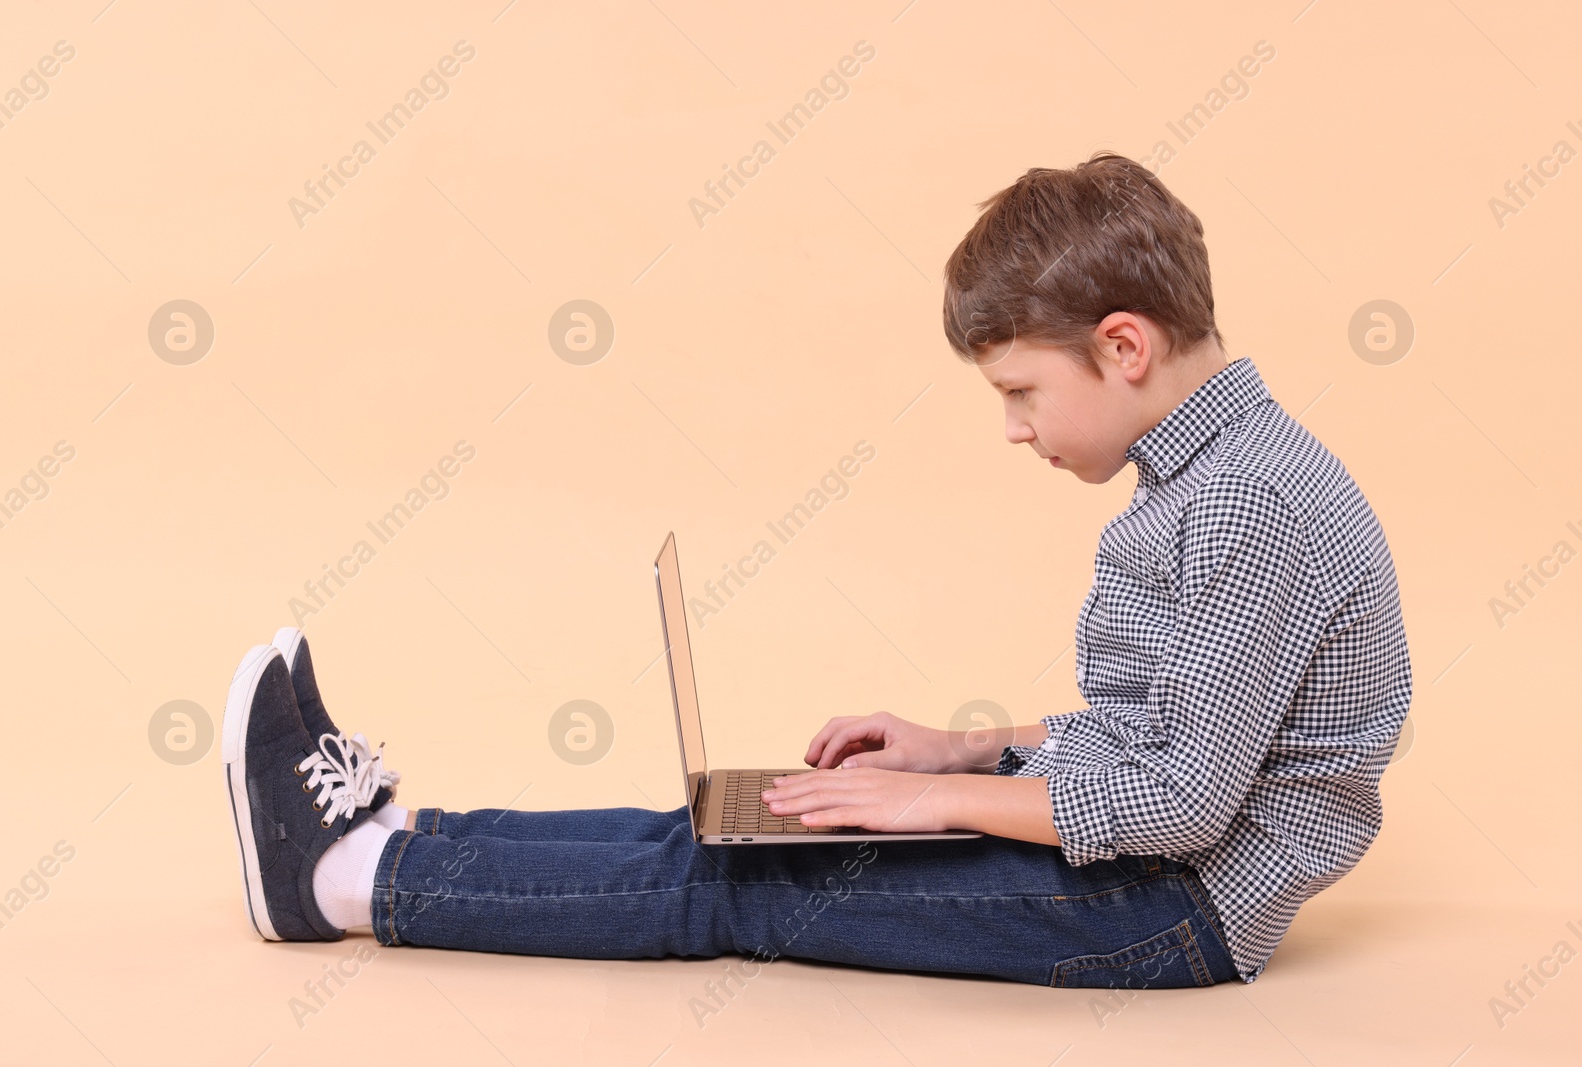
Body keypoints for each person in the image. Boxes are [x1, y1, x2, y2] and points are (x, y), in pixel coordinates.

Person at [221, 152, 1411, 989]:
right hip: (1135, 864)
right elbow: (1158, 727)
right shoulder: (1215, 471)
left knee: (739, 888)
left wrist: (932, 801)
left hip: (1163, 911)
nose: (1012, 428)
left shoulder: (1250, 504)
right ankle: (401, 839)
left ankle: (344, 886)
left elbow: (1178, 802)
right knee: (728, 833)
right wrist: (963, 749)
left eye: (1019, 392)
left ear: (1123, 346)